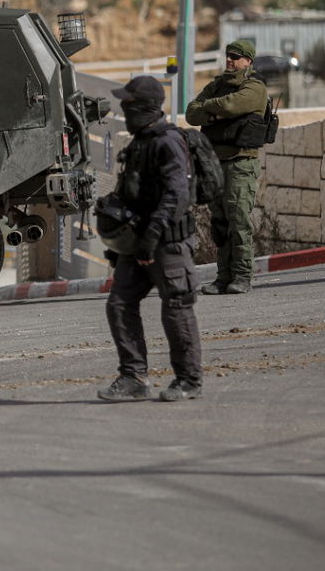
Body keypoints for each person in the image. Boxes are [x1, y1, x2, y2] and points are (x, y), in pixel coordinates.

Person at [97, 76, 203, 403]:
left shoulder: (167, 141)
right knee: (119, 304)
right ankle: (133, 377)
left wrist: (152, 236)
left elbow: (176, 195)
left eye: (129, 104)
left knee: (176, 308)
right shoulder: (140, 141)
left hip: (167, 242)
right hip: (138, 244)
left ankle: (188, 380)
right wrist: (123, 245)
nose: (124, 109)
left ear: (144, 107)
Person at [185, 38, 267, 295]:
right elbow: (191, 113)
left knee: (239, 221)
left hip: (240, 162)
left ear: (248, 61)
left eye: (235, 56)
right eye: (228, 55)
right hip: (215, 164)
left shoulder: (254, 87)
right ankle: (223, 276)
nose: (230, 60)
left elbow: (234, 104)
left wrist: (212, 110)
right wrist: (215, 111)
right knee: (220, 222)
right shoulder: (217, 85)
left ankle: (242, 276)